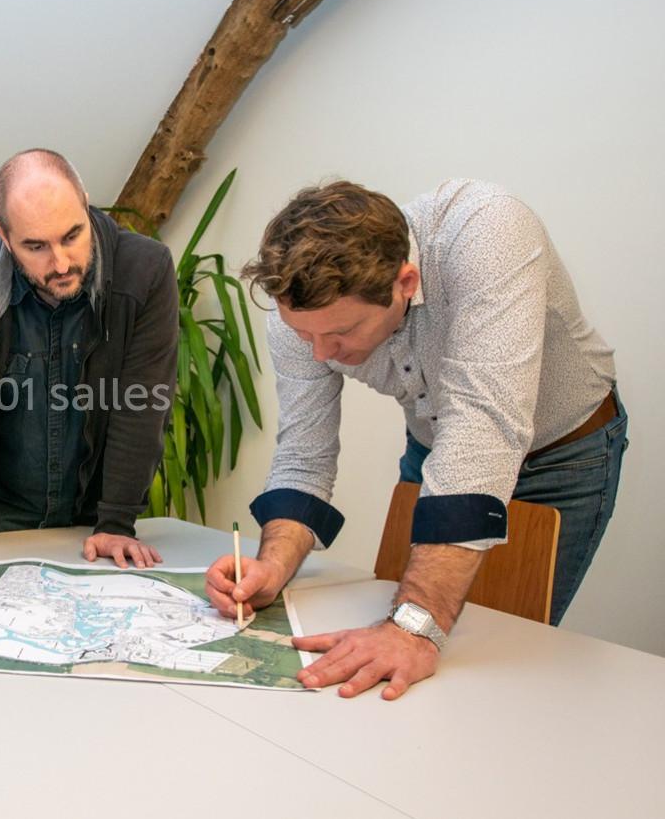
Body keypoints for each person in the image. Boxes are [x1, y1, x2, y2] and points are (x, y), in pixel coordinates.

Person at [206, 179, 626, 699]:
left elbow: (482, 431)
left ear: (405, 282)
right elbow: (302, 458)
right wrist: (272, 566)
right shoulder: (300, 313)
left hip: (564, 453)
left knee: (499, 657)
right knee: (412, 660)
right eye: (304, 335)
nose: (320, 354)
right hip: (436, 446)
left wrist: (412, 628)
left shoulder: (489, 231)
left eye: (340, 334)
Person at [0, 149, 178, 576]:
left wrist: (117, 522)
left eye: (72, 235)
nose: (61, 263)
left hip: (92, 532)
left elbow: (140, 406)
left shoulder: (145, 270)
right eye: (36, 246)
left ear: (86, 205)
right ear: (3, 235)